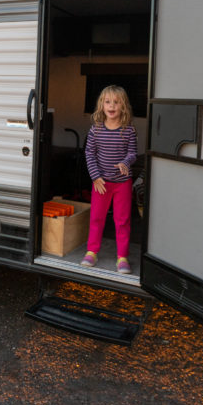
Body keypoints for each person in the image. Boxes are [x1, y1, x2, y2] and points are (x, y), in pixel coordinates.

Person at [81, 85, 138, 274]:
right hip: (101, 183)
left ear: (123, 106)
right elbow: (89, 153)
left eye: (116, 102)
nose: (111, 106)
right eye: (108, 102)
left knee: (122, 220)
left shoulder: (128, 130)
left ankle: (122, 257)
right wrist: (95, 177)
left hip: (122, 183)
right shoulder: (96, 129)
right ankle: (92, 252)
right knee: (97, 217)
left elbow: (133, 153)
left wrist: (125, 162)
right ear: (101, 105)